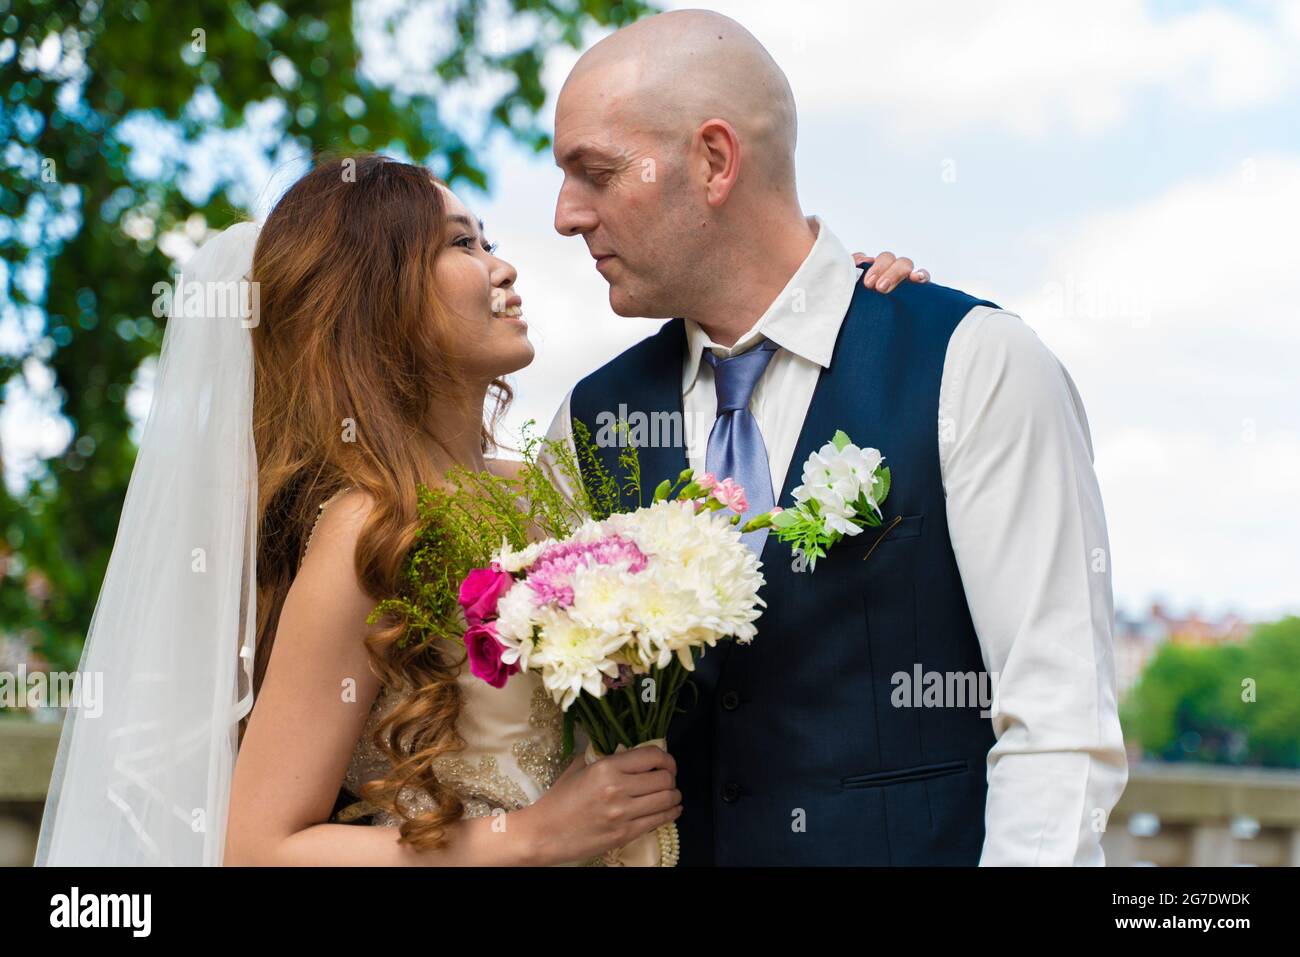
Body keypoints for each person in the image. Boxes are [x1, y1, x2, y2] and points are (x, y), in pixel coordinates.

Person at [34, 153, 922, 866]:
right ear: (377, 295)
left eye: (486, 238)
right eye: (461, 245)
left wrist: (830, 298)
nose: (503, 266)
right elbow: (257, 843)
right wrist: (530, 837)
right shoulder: (366, 528)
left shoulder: (553, 480)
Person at [544, 10, 1129, 865]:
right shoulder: (590, 421)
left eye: (594, 174)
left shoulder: (973, 364)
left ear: (714, 161)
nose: (565, 216)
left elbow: (1057, 717)